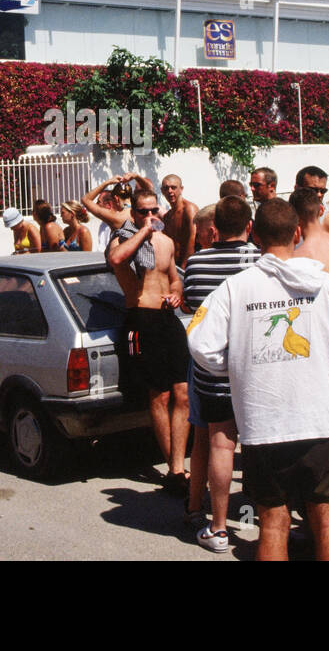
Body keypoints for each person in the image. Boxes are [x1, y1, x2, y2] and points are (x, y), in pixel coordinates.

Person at [187, 198, 329, 561]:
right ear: (298, 233)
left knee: (273, 525)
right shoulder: (325, 284)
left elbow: (201, 345)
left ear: (254, 234)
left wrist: (239, 367)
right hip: (322, 423)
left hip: (264, 425)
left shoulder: (233, 289)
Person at [179, 195, 259, 550]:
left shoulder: (196, 263)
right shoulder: (262, 261)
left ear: (213, 230)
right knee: (261, 443)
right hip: (258, 369)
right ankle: (267, 514)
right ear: (249, 225)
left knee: (214, 443)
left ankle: (214, 523)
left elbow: (193, 307)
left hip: (212, 370)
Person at [107, 189, 187, 494]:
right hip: (141, 317)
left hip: (168, 319)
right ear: (133, 214)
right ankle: (174, 469)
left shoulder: (166, 243)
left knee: (183, 392)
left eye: (155, 210)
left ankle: (178, 465)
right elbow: (117, 258)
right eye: (143, 211)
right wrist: (141, 231)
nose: (151, 216)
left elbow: (174, 276)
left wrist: (177, 293)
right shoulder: (120, 240)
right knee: (160, 395)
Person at [159, 174, 198, 268]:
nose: (170, 191)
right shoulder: (167, 217)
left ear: (181, 189)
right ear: (162, 191)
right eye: (166, 188)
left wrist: (185, 266)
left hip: (189, 265)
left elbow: (193, 237)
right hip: (174, 266)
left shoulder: (189, 209)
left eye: (173, 187)